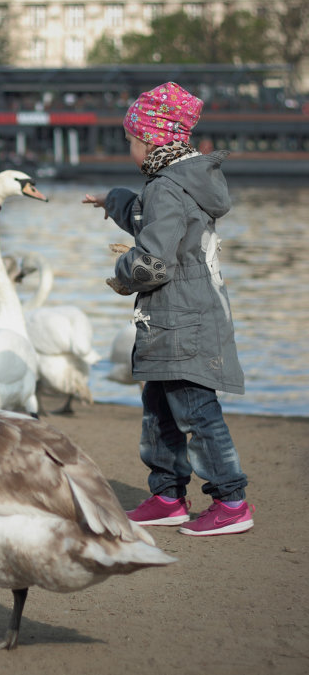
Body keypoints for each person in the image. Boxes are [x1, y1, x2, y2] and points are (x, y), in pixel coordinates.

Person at [84, 81, 254, 536]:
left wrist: (123, 274)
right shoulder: (181, 183)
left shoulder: (166, 189)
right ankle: (166, 495)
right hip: (179, 318)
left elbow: (154, 261)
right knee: (159, 407)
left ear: (153, 140)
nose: (130, 150)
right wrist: (113, 200)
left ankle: (231, 501)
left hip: (181, 322)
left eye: (132, 142)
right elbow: (150, 215)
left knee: (196, 410)